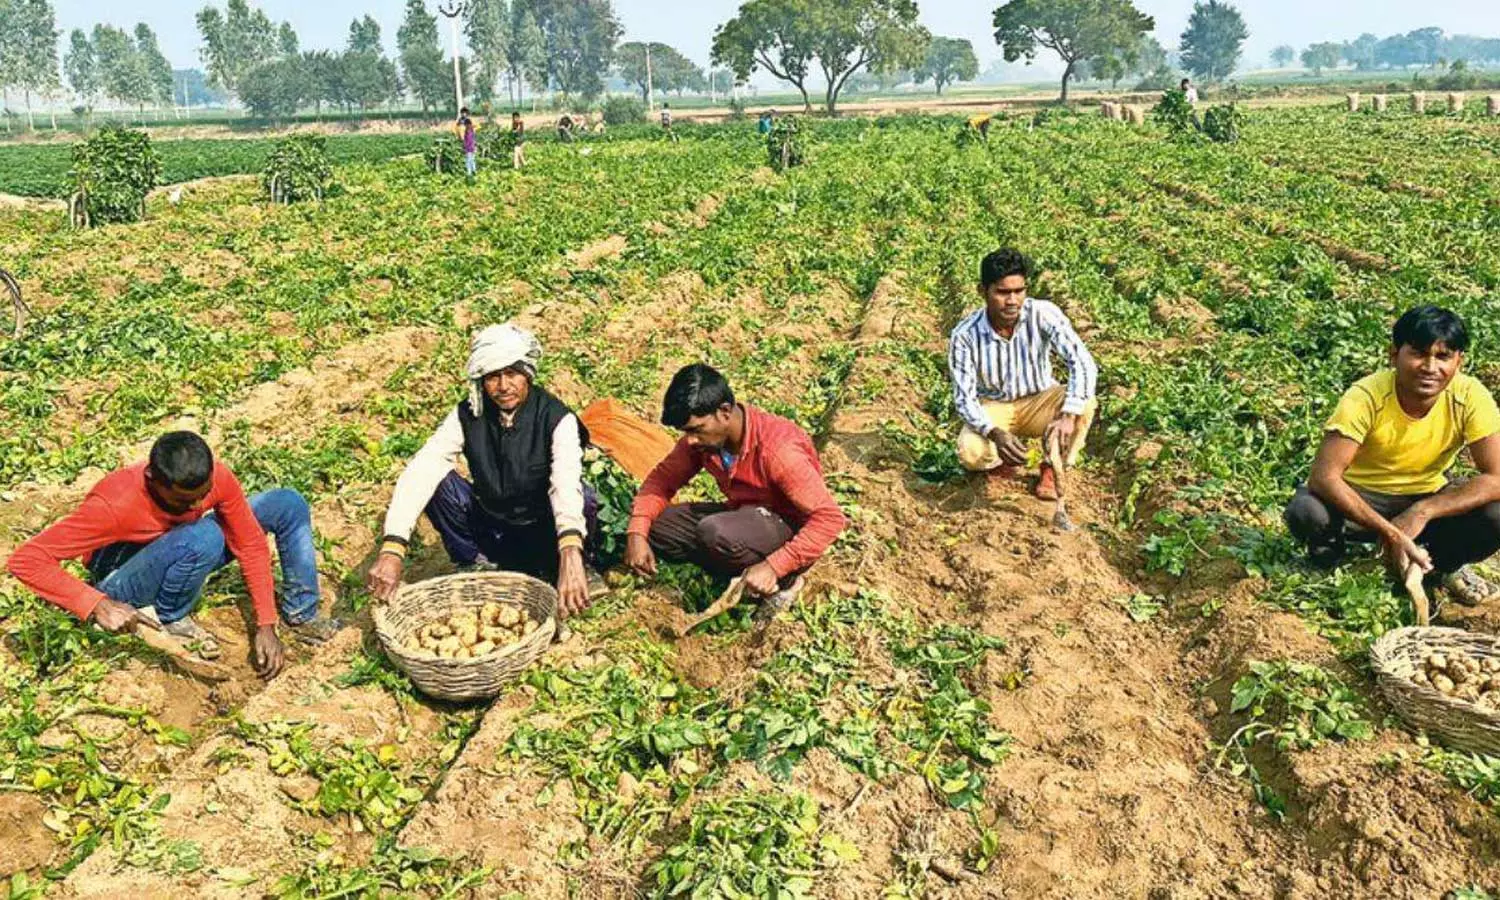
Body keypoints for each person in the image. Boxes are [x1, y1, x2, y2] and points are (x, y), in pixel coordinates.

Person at [6, 431, 340, 679]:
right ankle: (170, 615)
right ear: (152, 479)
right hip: (121, 576)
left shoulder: (215, 479)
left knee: (286, 503)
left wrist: (266, 624)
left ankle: (302, 615)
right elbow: (26, 559)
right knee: (204, 534)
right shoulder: (115, 505)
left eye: (203, 495)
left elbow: (249, 543)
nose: (196, 506)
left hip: (179, 546)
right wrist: (97, 604)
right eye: (183, 501)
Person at [366, 324, 604, 619]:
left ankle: (576, 565)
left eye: (512, 374)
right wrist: (393, 547)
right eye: (493, 376)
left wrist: (569, 551)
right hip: (494, 528)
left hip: (544, 531)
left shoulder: (556, 418)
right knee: (438, 481)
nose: (503, 386)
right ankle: (476, 564)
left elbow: (564, 483)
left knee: (584, 498)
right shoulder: (468, 414)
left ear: (528, 374)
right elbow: (423, 468)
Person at [1284, 306, 1500, 606]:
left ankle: (1441, 567)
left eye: (1443, 356)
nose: (1429, 366)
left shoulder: (1469, 396)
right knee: (1307, 510)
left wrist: (1420, 512)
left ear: (1458, 361)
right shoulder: (1366, 396)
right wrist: (1392, 532)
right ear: (1394, 354)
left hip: (1424, 494)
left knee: (1496, 512)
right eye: (1418, 353)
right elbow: (1324, 476)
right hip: (1360, 498)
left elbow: (1496, 477)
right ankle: (1330, 561)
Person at [624, 364, 846, 622]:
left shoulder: (779, 450)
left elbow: (830, 518)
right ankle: (735, 569)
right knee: (657, 525)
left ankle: (786, 582)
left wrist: (775, 566)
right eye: (687, 432)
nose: (691, 440)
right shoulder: (705, 443)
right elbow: (662, 481)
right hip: (744, 517)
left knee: (716, 532)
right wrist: (637, 532)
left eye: (697, 429)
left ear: (725, 412)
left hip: (787, 527)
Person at [949, 248, 1098, 501]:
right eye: (1003, 292)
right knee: (970, 451)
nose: (1012, 301)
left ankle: (1053, 466)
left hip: (1039, 400)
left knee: (1084, 404)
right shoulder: (964, 335)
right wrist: (994, 432)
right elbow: (964, 398)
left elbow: (1082, 362)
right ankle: (999, 463)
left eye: (1019, 291)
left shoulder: (1042, 314)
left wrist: (1068, 415)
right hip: (994, 406)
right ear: (982, 291)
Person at [456, 106, 478, 177]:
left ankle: (470, 173)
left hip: (469, 146)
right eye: (462, 113)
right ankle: (473, 171)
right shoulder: (459, 121)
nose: (463, 114)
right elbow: (457, 130)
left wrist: (466, 146)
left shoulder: (469, 123)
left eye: (465, 113)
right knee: (470, 159)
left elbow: (471, 139)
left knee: (469, 160)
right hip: (468, 145)